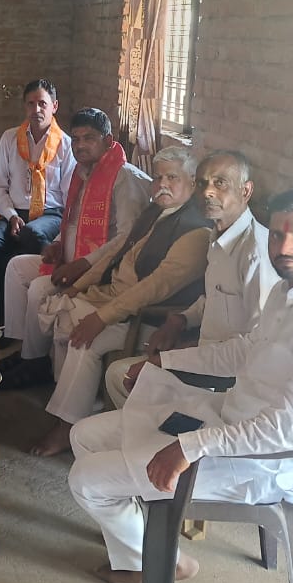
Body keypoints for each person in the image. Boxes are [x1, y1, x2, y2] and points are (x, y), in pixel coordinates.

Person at [68, 187, 293, 583]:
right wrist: (165, 361)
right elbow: (243, 351)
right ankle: (139, 543)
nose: (284, 248)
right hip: (227, 419)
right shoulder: (289, 290)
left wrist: (189, 447)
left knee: (85, 479)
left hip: (259, 462)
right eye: (277, 235)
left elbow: (286, 432)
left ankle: (165, 565)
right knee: (83, 435)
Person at [31, 145, 212, 457]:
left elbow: (153, 288)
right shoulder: (155, 211)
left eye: (172, 177)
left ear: (193, 183)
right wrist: (79, 286)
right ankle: (74, 402)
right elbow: (115, 254)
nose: (162, 184)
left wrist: (100, 318)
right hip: (114, 299)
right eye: (157, 178)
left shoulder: (196, 232)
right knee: (62, 310)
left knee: (84, 339)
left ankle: (66, 426)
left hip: (147, 320)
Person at [104, 149, 279, 407]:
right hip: (204, 358)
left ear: (245, 191)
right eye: (202, 183)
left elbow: (256, 344)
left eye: (220, 183)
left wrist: (174, 358)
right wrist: (180, 320)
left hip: (230, 376)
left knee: (123, 376)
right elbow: (214, 298)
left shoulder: (256, 253)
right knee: (125, 378)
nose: (208, 192)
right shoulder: (217, 237)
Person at [0, 107, 150, 387]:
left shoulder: (124, 178)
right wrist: (57, 244)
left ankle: (35, 363)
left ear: (108, 140)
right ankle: (23, 348)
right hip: (71, 258)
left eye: (89, 138)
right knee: (17, 268)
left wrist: (84, 264)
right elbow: (72, 221)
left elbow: (127, 238)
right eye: (76, 139)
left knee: (39, 288)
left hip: (100, 270)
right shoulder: (82, 172)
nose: (80, 145)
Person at [0, 79, 75, 319]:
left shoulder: (65, 144)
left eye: (42, 103)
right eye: (30, 104)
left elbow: (69, 195)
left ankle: (30, 311)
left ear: (54, 106)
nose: (36, 109)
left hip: (50, 214)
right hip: (14, 212)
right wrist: (10, 216)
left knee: (31, 234)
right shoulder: (10, 138)